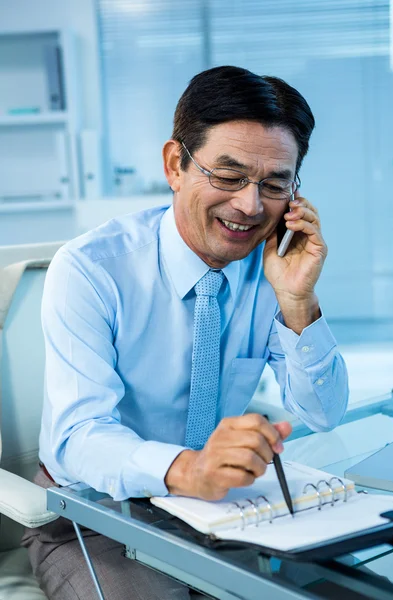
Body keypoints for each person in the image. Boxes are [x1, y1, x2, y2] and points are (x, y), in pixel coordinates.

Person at [22, 65, 349, 599]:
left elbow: (323, 412)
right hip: (91, 511)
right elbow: (77, 437)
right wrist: (188, 468)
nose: (249, 205)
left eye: (273, 184)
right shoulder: (91, 269)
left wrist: (298, 301)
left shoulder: (270, 267)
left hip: (217, 505)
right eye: (228, 175)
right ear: (176, 165)